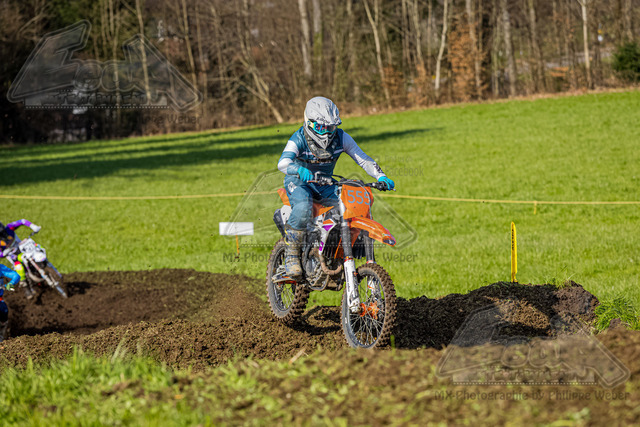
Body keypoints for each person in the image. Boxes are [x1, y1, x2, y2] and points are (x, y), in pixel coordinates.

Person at [277, 96, 395, 279]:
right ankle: (292, 254)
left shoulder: (342, 137)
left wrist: (381, 176)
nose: (325, 132)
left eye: (330, 127)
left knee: (349, 208)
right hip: (299, 182)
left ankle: (334, 251)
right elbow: (282, 163)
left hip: (325, 183)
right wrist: (298, 169)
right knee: (303, 206)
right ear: (309, 122)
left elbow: (363, 159)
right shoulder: (298, 138)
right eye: (320, 127)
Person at [0, 220, 42, 299]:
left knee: (36, 251)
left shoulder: (9, 227)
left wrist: (32, 226)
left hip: (23, 250)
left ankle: (44, 267)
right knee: (19, 268)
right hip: (14, 258)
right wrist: (4, 253)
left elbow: (22, 221)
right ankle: (26, 287)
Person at [0, 263, 19, 341]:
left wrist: (11, 283)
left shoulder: (0, 267)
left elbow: (16, 276)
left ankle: (2, 337)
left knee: (4, 311)